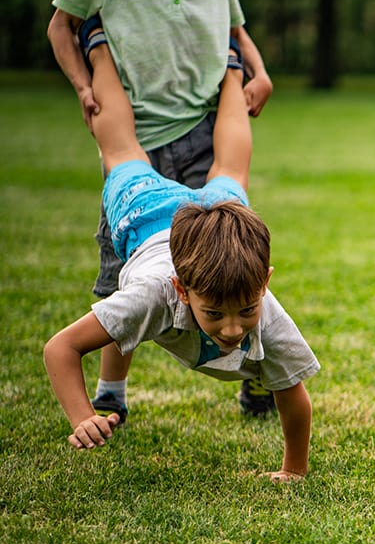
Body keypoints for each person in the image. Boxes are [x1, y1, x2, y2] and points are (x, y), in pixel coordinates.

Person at [43, 24, 317, 482]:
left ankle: (231, 68)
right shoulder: (154, 293)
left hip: (214, 217)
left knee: (232, 168)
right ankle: (100, 48)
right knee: (120, 148)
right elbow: (61, 349)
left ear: (265, 280)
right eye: (215, 314)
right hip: (145, 215)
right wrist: (80, 415)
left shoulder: (264, 308)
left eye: (245, 310)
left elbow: (294, 394)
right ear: (181, 290)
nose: (233, 328)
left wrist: (294, 471)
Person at [47, 0, 277, 419]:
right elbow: (59, 25)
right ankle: (112, 391)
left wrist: (256, 69)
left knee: (232, 264)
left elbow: (235, 30)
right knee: (122, 279)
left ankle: (260, 377)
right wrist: (84, 84)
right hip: (137, 124)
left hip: (201, 126)